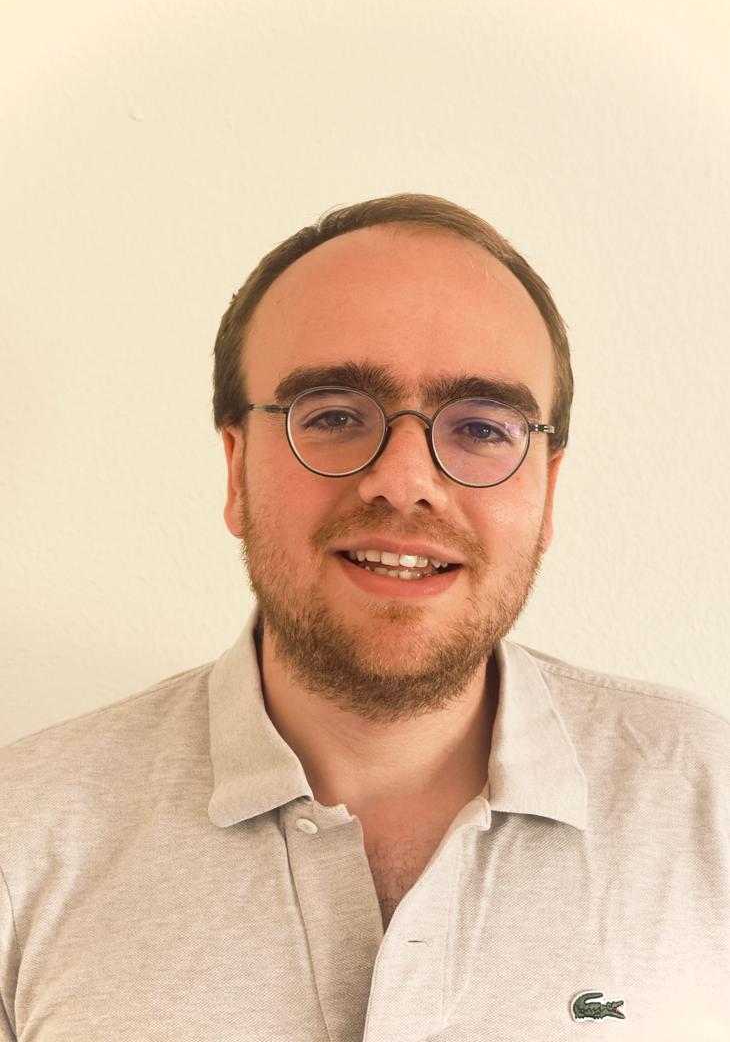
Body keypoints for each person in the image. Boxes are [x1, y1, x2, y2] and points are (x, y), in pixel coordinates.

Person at [0, 194, 727, 1042]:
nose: (405, 481)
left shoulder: (710, 803)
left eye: (482, 428)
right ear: (236, 470)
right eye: (336, 417)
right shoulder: (22, 836)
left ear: (548, 491)